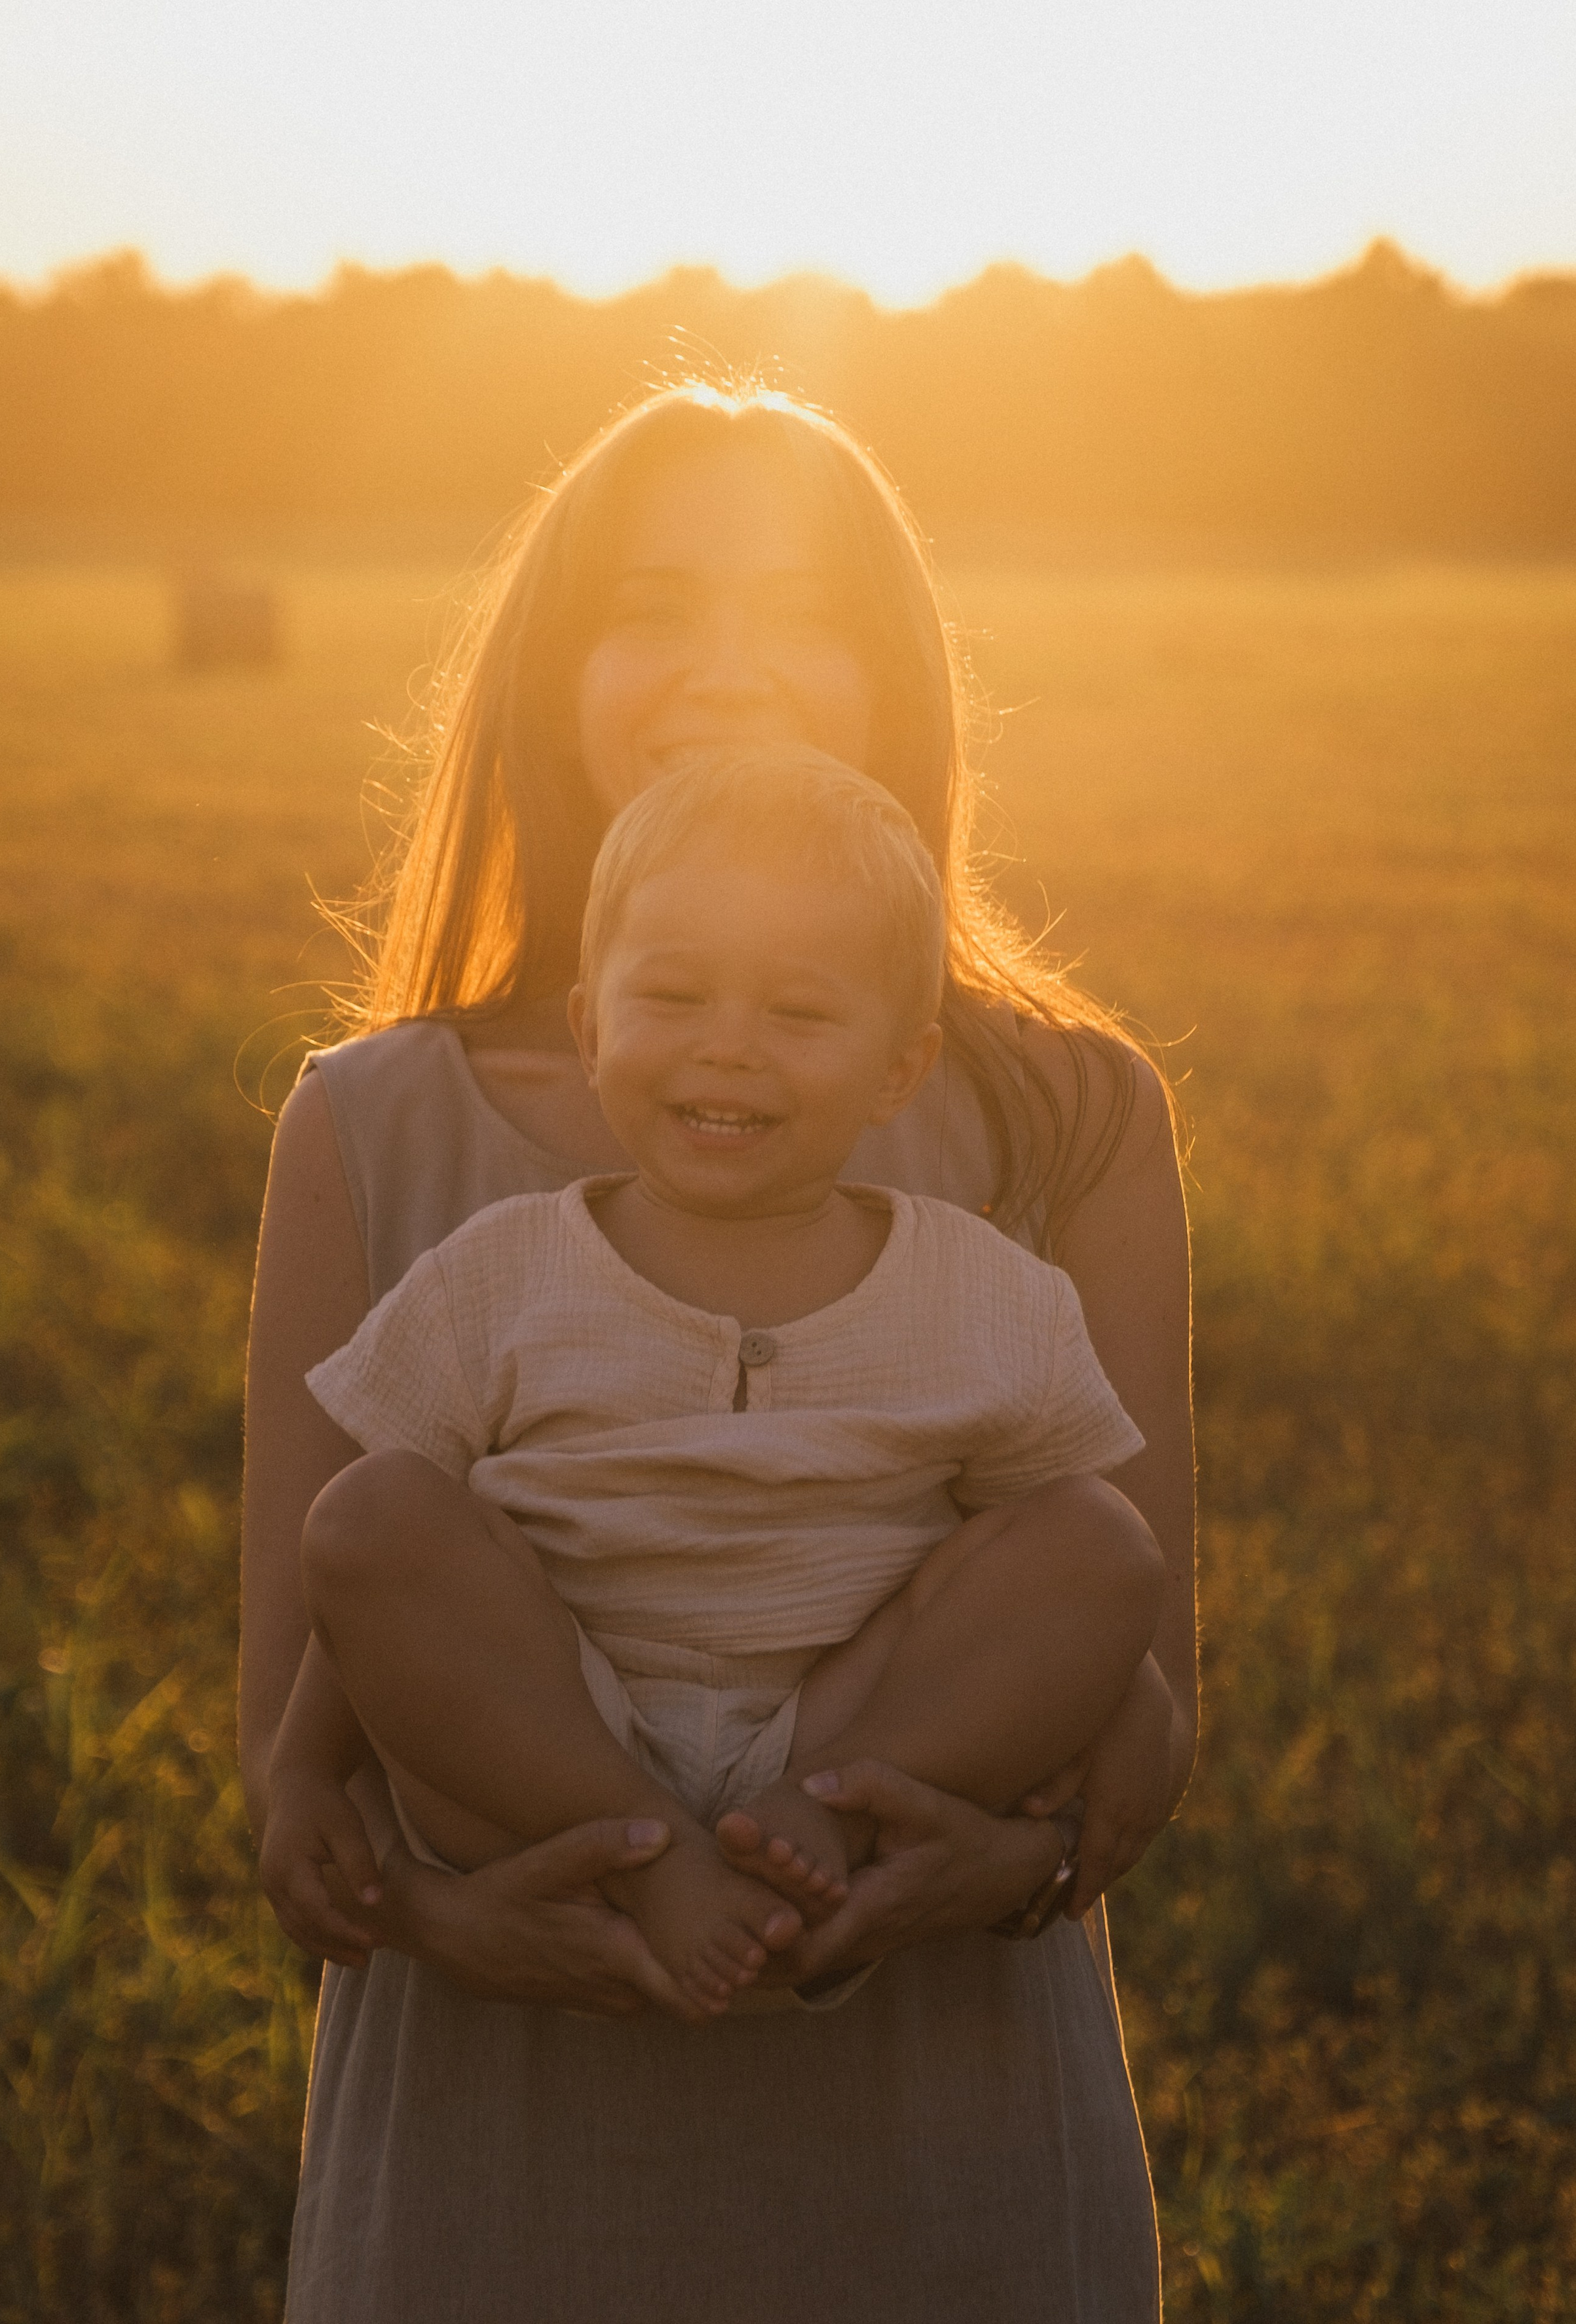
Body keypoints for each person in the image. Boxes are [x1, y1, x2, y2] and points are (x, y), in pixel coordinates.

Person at [241, 381, 1197, 2321]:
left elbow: (1143, 1696)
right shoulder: (370, 1122)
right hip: (507, 2142)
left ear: (897, 673)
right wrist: (455, 1918)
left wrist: (972, 1869)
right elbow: (295, 1761)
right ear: (555, 670)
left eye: (806, 614)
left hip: (942, 2137)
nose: (731, 671)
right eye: (657, 606)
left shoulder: (1068, 1113)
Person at [287, 750, 1162, 2019]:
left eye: (798, 1015)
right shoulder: (498, 1274)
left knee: (1102, 1538)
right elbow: (370, 1580)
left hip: (854, 1724)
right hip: (542, 1743)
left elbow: (1058, 1569)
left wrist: (1123, 1718)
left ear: (898, 1070)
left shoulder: (982, 1298)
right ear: (591, 1029)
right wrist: (310, 1767)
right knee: (365, 1512)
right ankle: (645, 1847)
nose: (729, 1049)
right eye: (676, 997)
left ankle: (814, 1811)